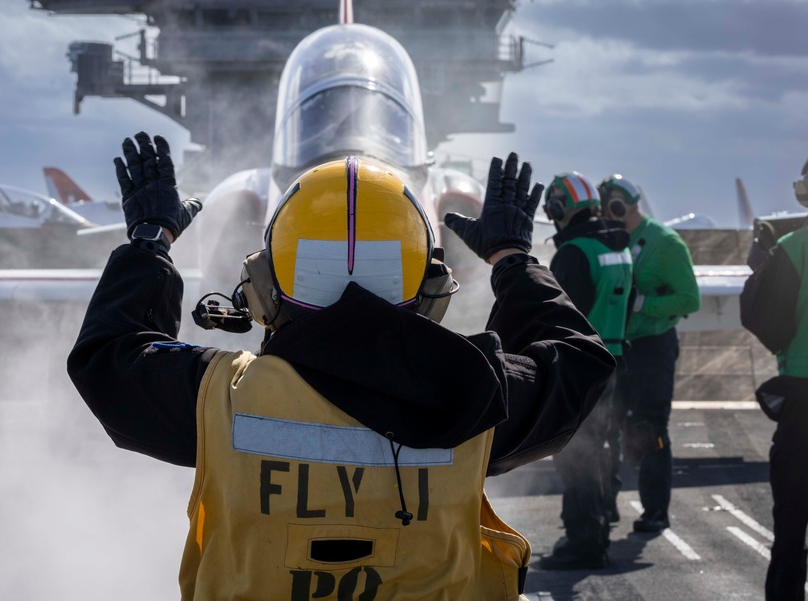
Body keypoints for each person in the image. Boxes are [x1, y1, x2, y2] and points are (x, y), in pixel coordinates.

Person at [67, 131, 615, 599]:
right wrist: (512, 258)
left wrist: (149, 241)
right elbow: (578, 361)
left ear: (265, 287)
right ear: (428, 291)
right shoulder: (478, 392)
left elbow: (108, 359)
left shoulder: (218, 397)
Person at [740, 148, 808, 601]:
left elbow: (764, 320)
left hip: (805, 398)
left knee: (791, 520)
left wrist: (761, 265)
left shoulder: (791, 249)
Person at [535, 172, 632, 570]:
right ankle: (600, 526)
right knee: (601, 450)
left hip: (581, 366)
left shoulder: (573, 252)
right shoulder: (620, 248)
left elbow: (562, 316)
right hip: (615, 359)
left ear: (560, 209)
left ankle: (584, 542)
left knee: (575, 456)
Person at [597, 174, 700, 533]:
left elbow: (690, 298)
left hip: (652, 347)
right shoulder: (606, 240)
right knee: (605, 427)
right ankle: (604, 504)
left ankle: (655, 511)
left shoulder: (665, 243)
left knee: (649, 429)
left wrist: (644, 303)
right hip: (616, 345)